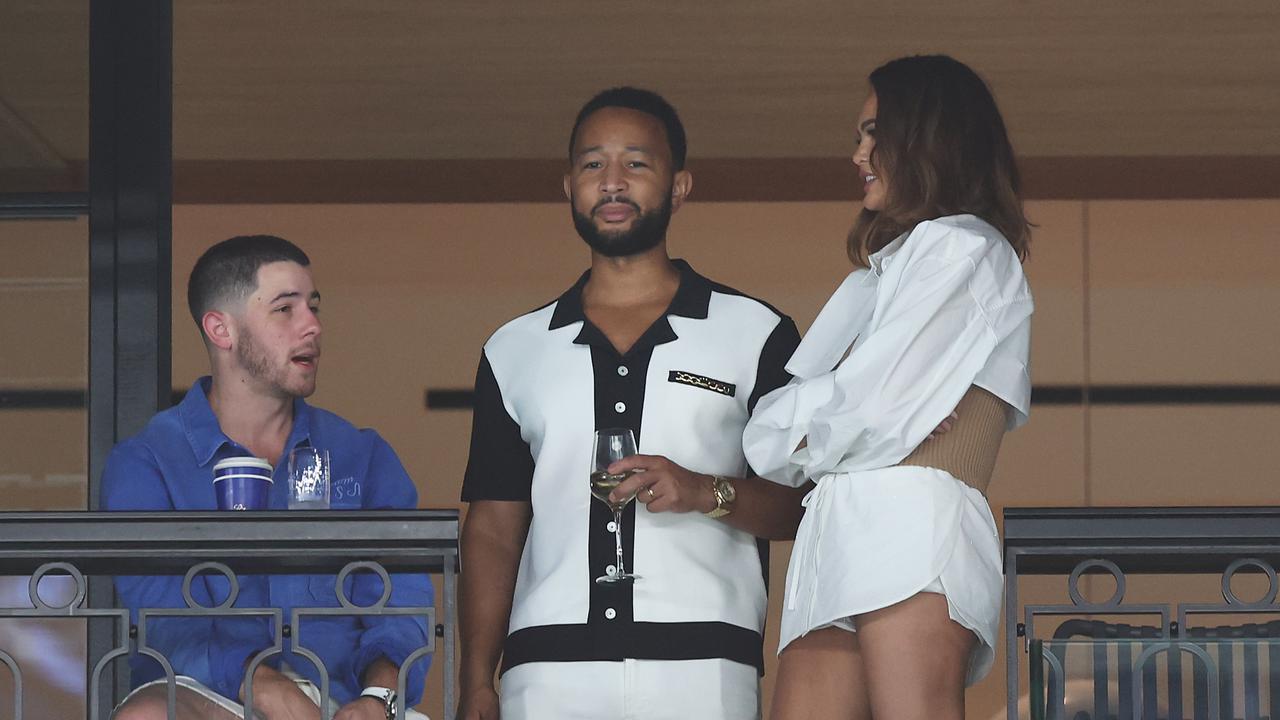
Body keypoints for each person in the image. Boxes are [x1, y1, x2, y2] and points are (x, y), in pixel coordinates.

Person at [457, 87, 808, 720]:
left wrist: (706, 491)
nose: (612, 182)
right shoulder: (514, 349)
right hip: (544, 672)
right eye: (593, 164)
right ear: (567, 185)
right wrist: (477, 680)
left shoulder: (756, 333)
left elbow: (799, 506)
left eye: (637, 163)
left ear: (679, 186)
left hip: (705, 667)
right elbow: (492, 528)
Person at [742, 55, 1034, 720]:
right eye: (858, 136)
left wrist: (842, 419)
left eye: (875, 133)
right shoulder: (875, 276)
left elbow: (863, 415)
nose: (858, 154)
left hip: (912, 524)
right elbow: (768, 435)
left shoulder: (965, 249)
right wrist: (857, 419)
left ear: (930, 138)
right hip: (834, 532)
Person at [102, 235, 432, 720]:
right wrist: (259, 683)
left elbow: (402, 603)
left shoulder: (362, 454)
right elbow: (164, 623)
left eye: (314, 307)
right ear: (221, 329)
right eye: (285, 309)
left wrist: (377, 698)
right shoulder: (146, 462)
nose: (313, 326)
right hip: (209, 695)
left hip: (348, 702)